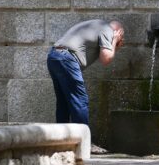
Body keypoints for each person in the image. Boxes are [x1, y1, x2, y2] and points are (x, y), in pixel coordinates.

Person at [47, 19, 124, 154]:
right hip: (67, 58)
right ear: (117, 31)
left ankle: (61, 144)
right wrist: (114, 40)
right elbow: (106, 58)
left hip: (54, 56)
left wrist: (114, 45)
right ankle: (85, 143)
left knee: (64, 103)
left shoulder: (97, 25)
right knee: (80, 101)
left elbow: (102, 54)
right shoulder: (107, 30)